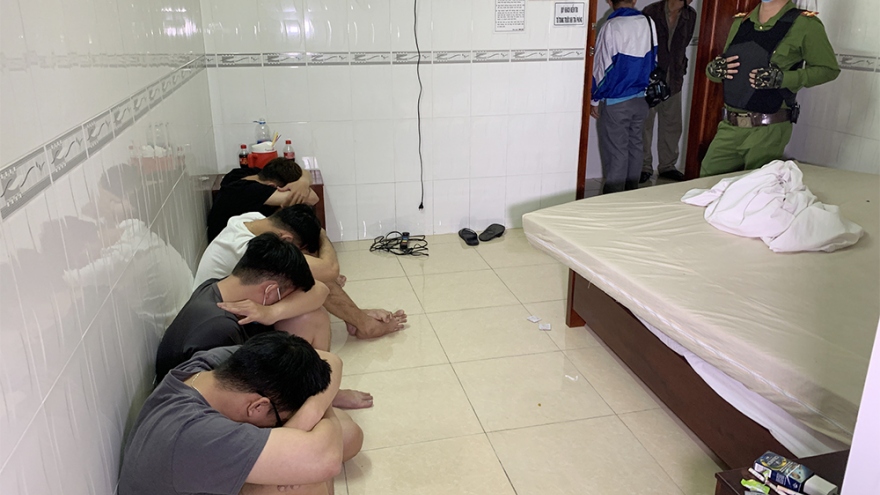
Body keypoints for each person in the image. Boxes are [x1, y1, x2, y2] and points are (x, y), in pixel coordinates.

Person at [120, 332, 364, 495]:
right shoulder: (194, 432)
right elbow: (326, 461)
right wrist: (316, 409)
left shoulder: (215, 369)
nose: (289, 422)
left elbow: (330, 360)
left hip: (198, 473)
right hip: (193, 467)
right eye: (283, 418)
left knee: (347, 434)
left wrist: (314, 409)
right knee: (308, 481)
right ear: (257, 406)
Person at [157, 233, 371, 409]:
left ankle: (321, 394)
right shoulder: (219, 329)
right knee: (345, 433)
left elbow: (320, 290)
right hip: (201, 410)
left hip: (227, 379)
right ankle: (318, 399)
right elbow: (232, 398)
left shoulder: (217, 287)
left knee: (310, 315)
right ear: (270, 290)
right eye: (284, 295)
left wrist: (272, 312)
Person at [195, 205, 407, 340]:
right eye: (300, 250)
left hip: (233, 305)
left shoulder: (250, 220)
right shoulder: (248, 247)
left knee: (315, 278)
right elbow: (330, 270)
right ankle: (364, 324)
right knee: (316, 282)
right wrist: (321, 234)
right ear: (286, 238)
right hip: (224, 322)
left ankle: (356, 318)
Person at [700, 0, 839, 177]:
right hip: (730, 126)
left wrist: (782, 78)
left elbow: (828, 70)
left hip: (767, 128)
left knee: (756, 188)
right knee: (707, 182)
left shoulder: (805, 24)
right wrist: (713, 70)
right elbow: (727, 68)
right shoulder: (741, 22)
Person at [591, 0, 657, 194]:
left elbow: (601, 68)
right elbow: (654, 59)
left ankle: (613, 197)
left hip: (616, 101)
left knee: (616, 150)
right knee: (635, 145)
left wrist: (595, 99)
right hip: (641, 98)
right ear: (634, 0)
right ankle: (631, 193)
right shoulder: (648, 22)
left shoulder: (612, 26)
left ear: (609, 1)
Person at [640, 0, 696, 183]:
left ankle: (667, 166)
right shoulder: (651, 11)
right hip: (650, 80)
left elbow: (683, 45)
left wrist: (679, 69)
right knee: (645, 125)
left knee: (672, 125)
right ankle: (643, 166)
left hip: (674, 80)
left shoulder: (690, 15)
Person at [207, 157, 319, 242]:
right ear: (272, 186)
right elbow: (312, 198)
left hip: (228, 238)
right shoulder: (251, 191)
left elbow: (304, 172)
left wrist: (303, 182)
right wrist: (303, 184)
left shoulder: (243, 174)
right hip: (232, 245)